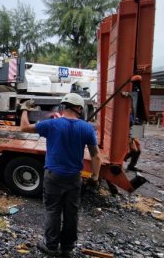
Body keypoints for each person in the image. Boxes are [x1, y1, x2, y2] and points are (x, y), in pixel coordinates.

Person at [19, 94, 102, 257]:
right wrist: (94, 177)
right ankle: (67, 247)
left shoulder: (51, 124)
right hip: (73, 178)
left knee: (53, 211)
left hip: (53, 177)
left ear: (64, 107)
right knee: (72, 213)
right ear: (79, 109)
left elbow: (24, 128)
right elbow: (96, 156)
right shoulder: (86, 128)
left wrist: (24, 109)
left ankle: (50, 245)